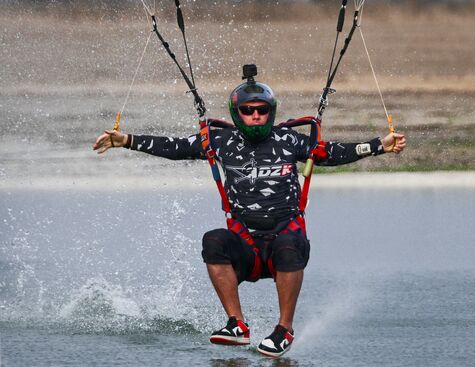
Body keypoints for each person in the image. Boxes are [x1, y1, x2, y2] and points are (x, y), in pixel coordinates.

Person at [93, 67, 406, 358]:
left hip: (287, 242)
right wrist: (127, 140)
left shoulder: (289, 140)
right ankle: (237, 325)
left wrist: (380, 144)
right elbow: (175, 147)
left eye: (262, 110)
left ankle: (284, 329)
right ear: (237, 113)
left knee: (287, 243)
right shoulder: (220, 142)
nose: (256, 116)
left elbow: (334, 153)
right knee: (213, 239)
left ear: (271, 112)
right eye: (248, 110)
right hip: (246, 246)